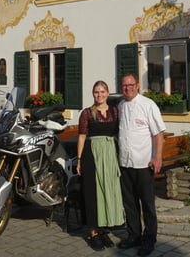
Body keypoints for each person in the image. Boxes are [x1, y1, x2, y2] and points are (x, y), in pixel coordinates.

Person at [117, 73, 166, 257]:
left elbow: (158, 133)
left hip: (144, 163)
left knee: (147, 204)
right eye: (124, 85)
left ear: (137, 85)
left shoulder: (148, 105)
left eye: (131, 84)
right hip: (125, 163)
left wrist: (158, 157)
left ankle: (150, 239)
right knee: (129, 204)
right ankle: (134, 235)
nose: (128, 88)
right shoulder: (120, 106)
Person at [77, 80, 124, 252]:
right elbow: (82, 136)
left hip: (110, 154)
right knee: (92, 192)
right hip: (92, 154)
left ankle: (103, 229)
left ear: (108, 93)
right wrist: (79, 159)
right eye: (97, 92)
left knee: (107, 190)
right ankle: (93, 232)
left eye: (102, 92)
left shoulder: (115, 111)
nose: (100, 95)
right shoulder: (87, 113)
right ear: (93, 94)